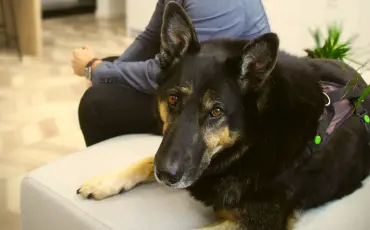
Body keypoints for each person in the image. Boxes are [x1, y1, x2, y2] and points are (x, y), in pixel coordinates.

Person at [72, 0, 271, 147]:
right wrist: (105, 71)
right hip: (200, 84)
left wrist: (95, 69)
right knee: (110, 69)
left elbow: (183, 73)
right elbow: (149, 38)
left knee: (96, 103)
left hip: (224, 107)